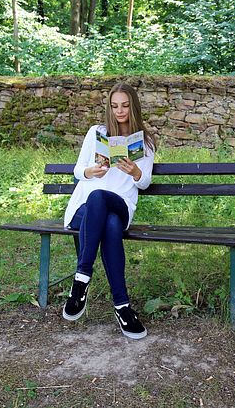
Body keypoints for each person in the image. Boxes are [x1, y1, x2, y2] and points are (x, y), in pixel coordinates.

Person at [62, 82, 156, 339]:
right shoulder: (96, 133)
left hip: (121, 203)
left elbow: (144, 181)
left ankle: (81, 279)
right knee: (108, 222)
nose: (120, 111)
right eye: (115, 106)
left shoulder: (144, 142)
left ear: (133, 107)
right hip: (86, 210)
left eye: (125, 105)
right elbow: (78, 170)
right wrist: (91, 171)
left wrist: (135, 172)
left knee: (100, 197)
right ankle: (122, 306)